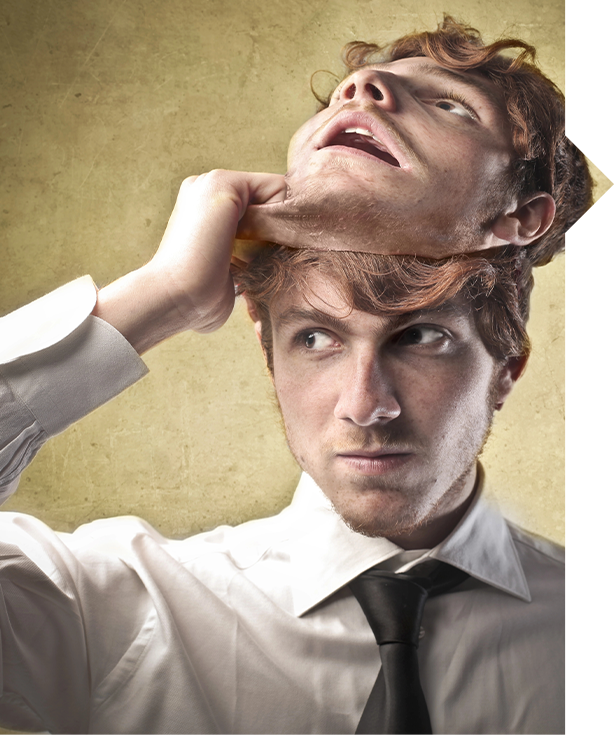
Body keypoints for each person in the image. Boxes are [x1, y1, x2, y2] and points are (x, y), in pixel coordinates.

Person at [0, 16, 589, 735]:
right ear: (267, 354)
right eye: (316, 338)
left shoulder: (597, 631)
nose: (364, 404)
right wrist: (161, 296)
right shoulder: (111, 609)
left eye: (423, 338)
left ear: (508, 368)